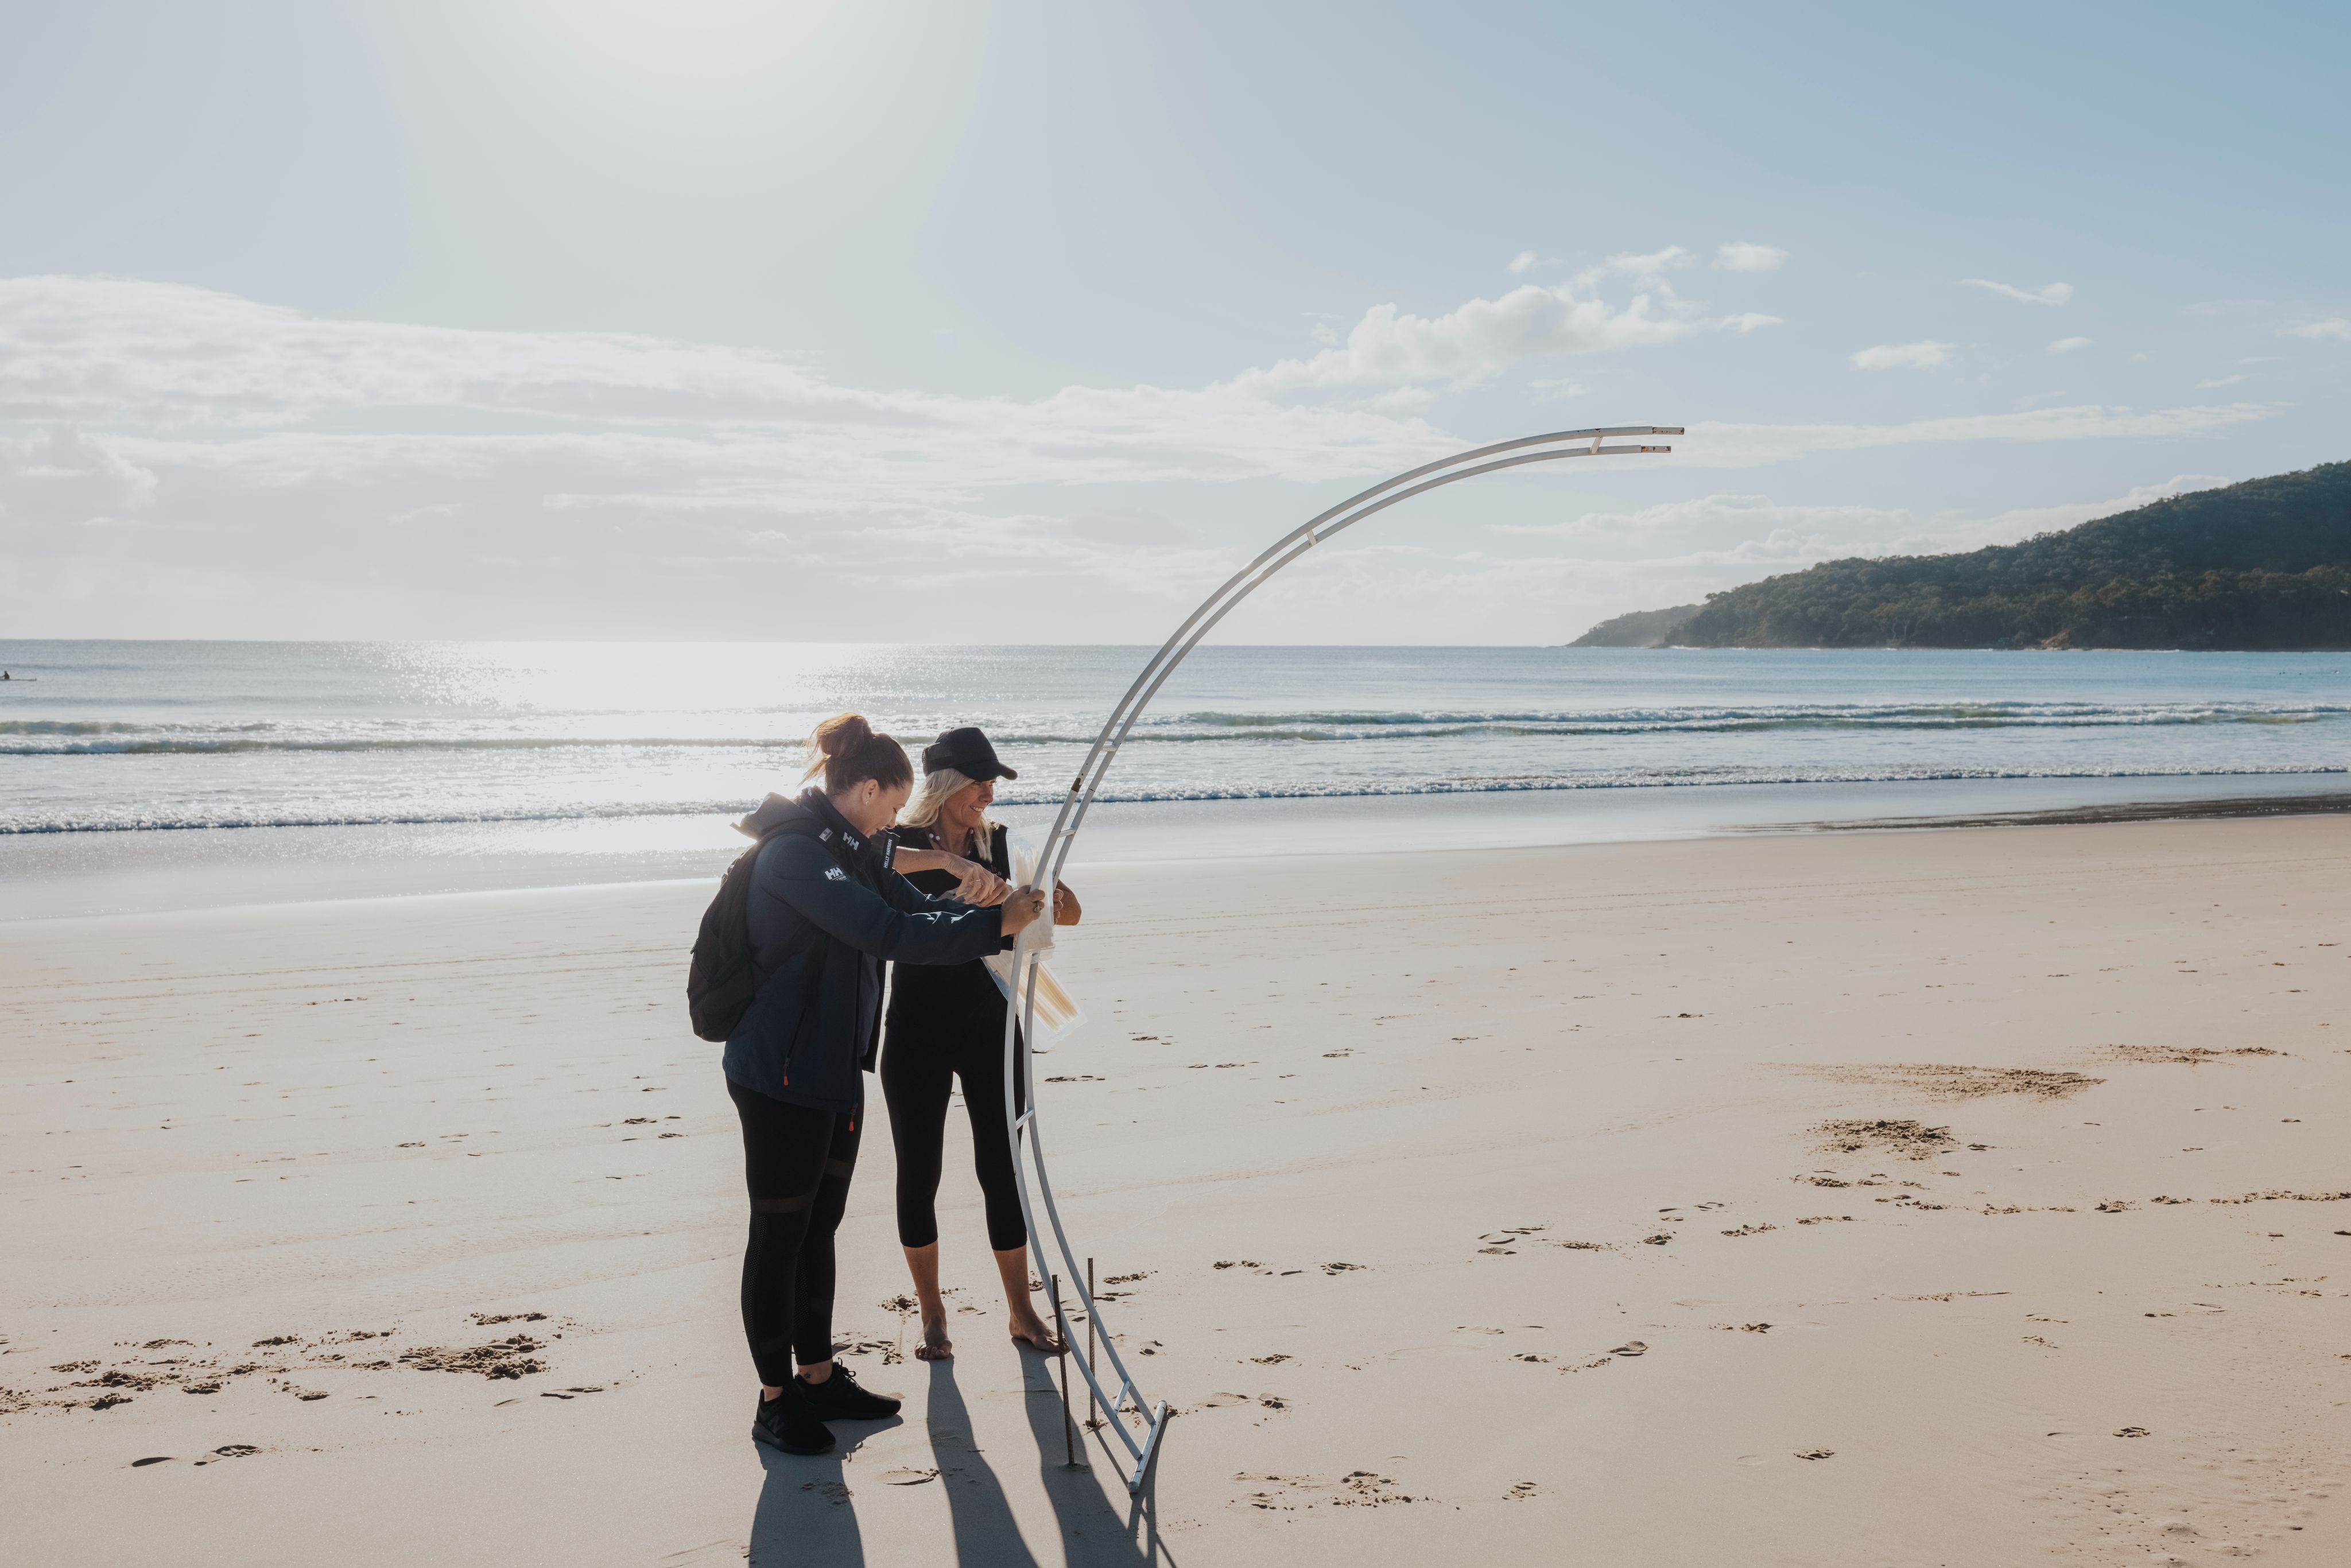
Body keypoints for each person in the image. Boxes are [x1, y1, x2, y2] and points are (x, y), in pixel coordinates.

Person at [723, 713, 1046, 1456]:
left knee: (821, 1227)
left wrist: (995, 909)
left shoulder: (851, 850)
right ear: (866, 788)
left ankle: (819, 1374)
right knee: (779, 1236)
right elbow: (886, 934)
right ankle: (775, 1399)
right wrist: (996, 927)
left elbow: (911, 910)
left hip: (835, 1068)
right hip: (780, 1074)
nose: (896, 822)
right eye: (893, 807)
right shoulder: (799, 856)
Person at [882, 725, 1083, 1361]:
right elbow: (873, 869)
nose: (989, 795)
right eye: (979, 782)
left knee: (1003, 1171)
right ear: (946, 785)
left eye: (992, 783)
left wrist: (1049, 894)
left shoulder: (1003, 844)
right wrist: (950, 863)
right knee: (919, 1175)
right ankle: (933, 1315)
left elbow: (1066, 915)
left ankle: (1020, 1310)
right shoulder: (900, 843)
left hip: (990, 1030)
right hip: (915, 1029)